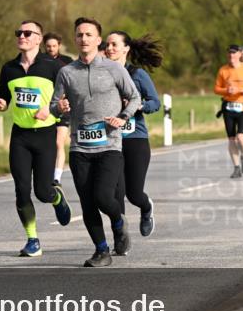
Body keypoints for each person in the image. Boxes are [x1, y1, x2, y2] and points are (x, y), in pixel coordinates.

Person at [51, 17, 141, 267]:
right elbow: (54, 105)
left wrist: (123, 117)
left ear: (98, 39)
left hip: (109, 146)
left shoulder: (114, 69)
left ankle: (119, 223)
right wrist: (59, 107)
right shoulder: (66, 72)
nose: (84, 39)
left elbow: (134, 97)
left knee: (103, 196)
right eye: (79, 34)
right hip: (79, 147)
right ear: (75, 39)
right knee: (87, 202)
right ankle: (101, 251)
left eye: (89, 34)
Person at [0, 20, 74, 258]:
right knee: (21, 190)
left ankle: (56, 197)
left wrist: (51, 109)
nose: (22, 36)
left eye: (28, 33)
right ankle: (33, 240)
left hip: (45, 135)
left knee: (42, 191)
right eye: (19, 32)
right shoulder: (9, 68)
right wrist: (1, 102)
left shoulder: (53, 66)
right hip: (20, 135)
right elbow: (3, 95)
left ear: (39, 38)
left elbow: (68, 97)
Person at [106, 30, 162, 237]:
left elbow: (155, 102)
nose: (109, 48)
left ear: (126, 49)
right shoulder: (102, 74)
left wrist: (138, 106)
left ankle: (146, 208)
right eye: (107, 45)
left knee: (134, 194)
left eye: (114, 44)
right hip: (110, 141)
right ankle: (121, 237)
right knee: (116, 193)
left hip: (135, 139)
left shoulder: (137, 75)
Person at [214, 45, 243, 178]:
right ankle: (236, 168)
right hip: (228, 108)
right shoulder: (223, 70)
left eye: (234, 53)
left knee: (240, 137)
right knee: (231, 139)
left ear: (240, 54)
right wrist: (226, 90)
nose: (231, 56)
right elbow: (216, 89)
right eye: (229, 53)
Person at [42, 33, 74, 187]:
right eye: (48, 46)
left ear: (59, 45)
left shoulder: (67, 62)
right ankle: (45, 173)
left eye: (54, 46)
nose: (51, 49)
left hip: (62, 107)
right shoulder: (40, 61)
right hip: (45, 107)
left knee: (58, 142)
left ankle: (56, 178)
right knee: (47, 144)